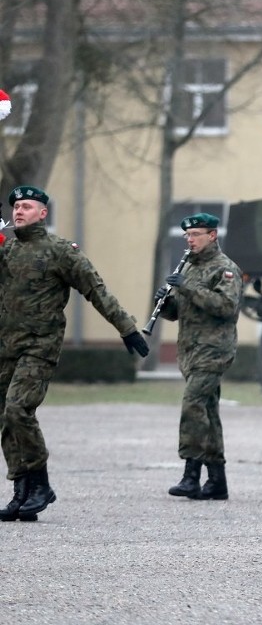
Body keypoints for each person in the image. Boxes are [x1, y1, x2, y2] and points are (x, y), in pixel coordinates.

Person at [0, 185, 149, 522]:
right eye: (16, 207)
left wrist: (126, 328)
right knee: (6, 420)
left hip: (39, 346)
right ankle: (22, 491)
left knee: (18, 408)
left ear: (43, 213)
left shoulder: (60, 251)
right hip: (6, 346)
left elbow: (95, 289)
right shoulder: (7, 251)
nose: (19, 211)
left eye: (26, 206)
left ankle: (41, 484)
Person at [157, 213, 242, 502]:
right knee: (207, 411)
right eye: (187, 236)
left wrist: (187, 288)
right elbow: (179, 311)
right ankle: (217, 481)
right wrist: (166, 302)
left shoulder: (225, 269)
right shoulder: (189, 268)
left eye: (196, 235)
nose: (190, 240)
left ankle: (191, 475)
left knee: (193, 403)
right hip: (190, 350)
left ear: (212, 236)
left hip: (214, 350)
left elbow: (226, 306)